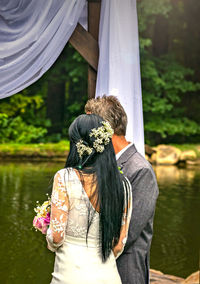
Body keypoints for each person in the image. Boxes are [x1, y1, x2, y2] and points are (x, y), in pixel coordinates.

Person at [46, 114, 132, 284]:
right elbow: (119, 244)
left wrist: (48, 232)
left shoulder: (65, 177)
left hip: (70, 275)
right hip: (108, 276)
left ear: (77, 145)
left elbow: (57, 237)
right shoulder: (123, 185)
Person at [85, 96, 159, 284]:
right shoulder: (97, 165)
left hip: (124, 271)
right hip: (96, 269)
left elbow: (129, 233)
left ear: (104, 130)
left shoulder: (140, 170)